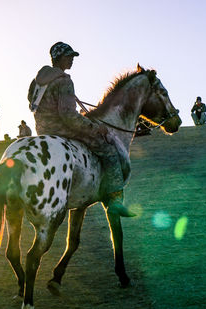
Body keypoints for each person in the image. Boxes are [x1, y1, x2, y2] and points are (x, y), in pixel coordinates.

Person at [27, 41, 133, 216]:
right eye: (69, 57)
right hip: (62, 129)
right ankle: (114, 200)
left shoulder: (36, 82)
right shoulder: (64, 80)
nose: (72, 60)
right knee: (107, 148)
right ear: (59, 58)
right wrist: (95, 127)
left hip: (42, 130)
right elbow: (68, 115)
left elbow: (33, 105)